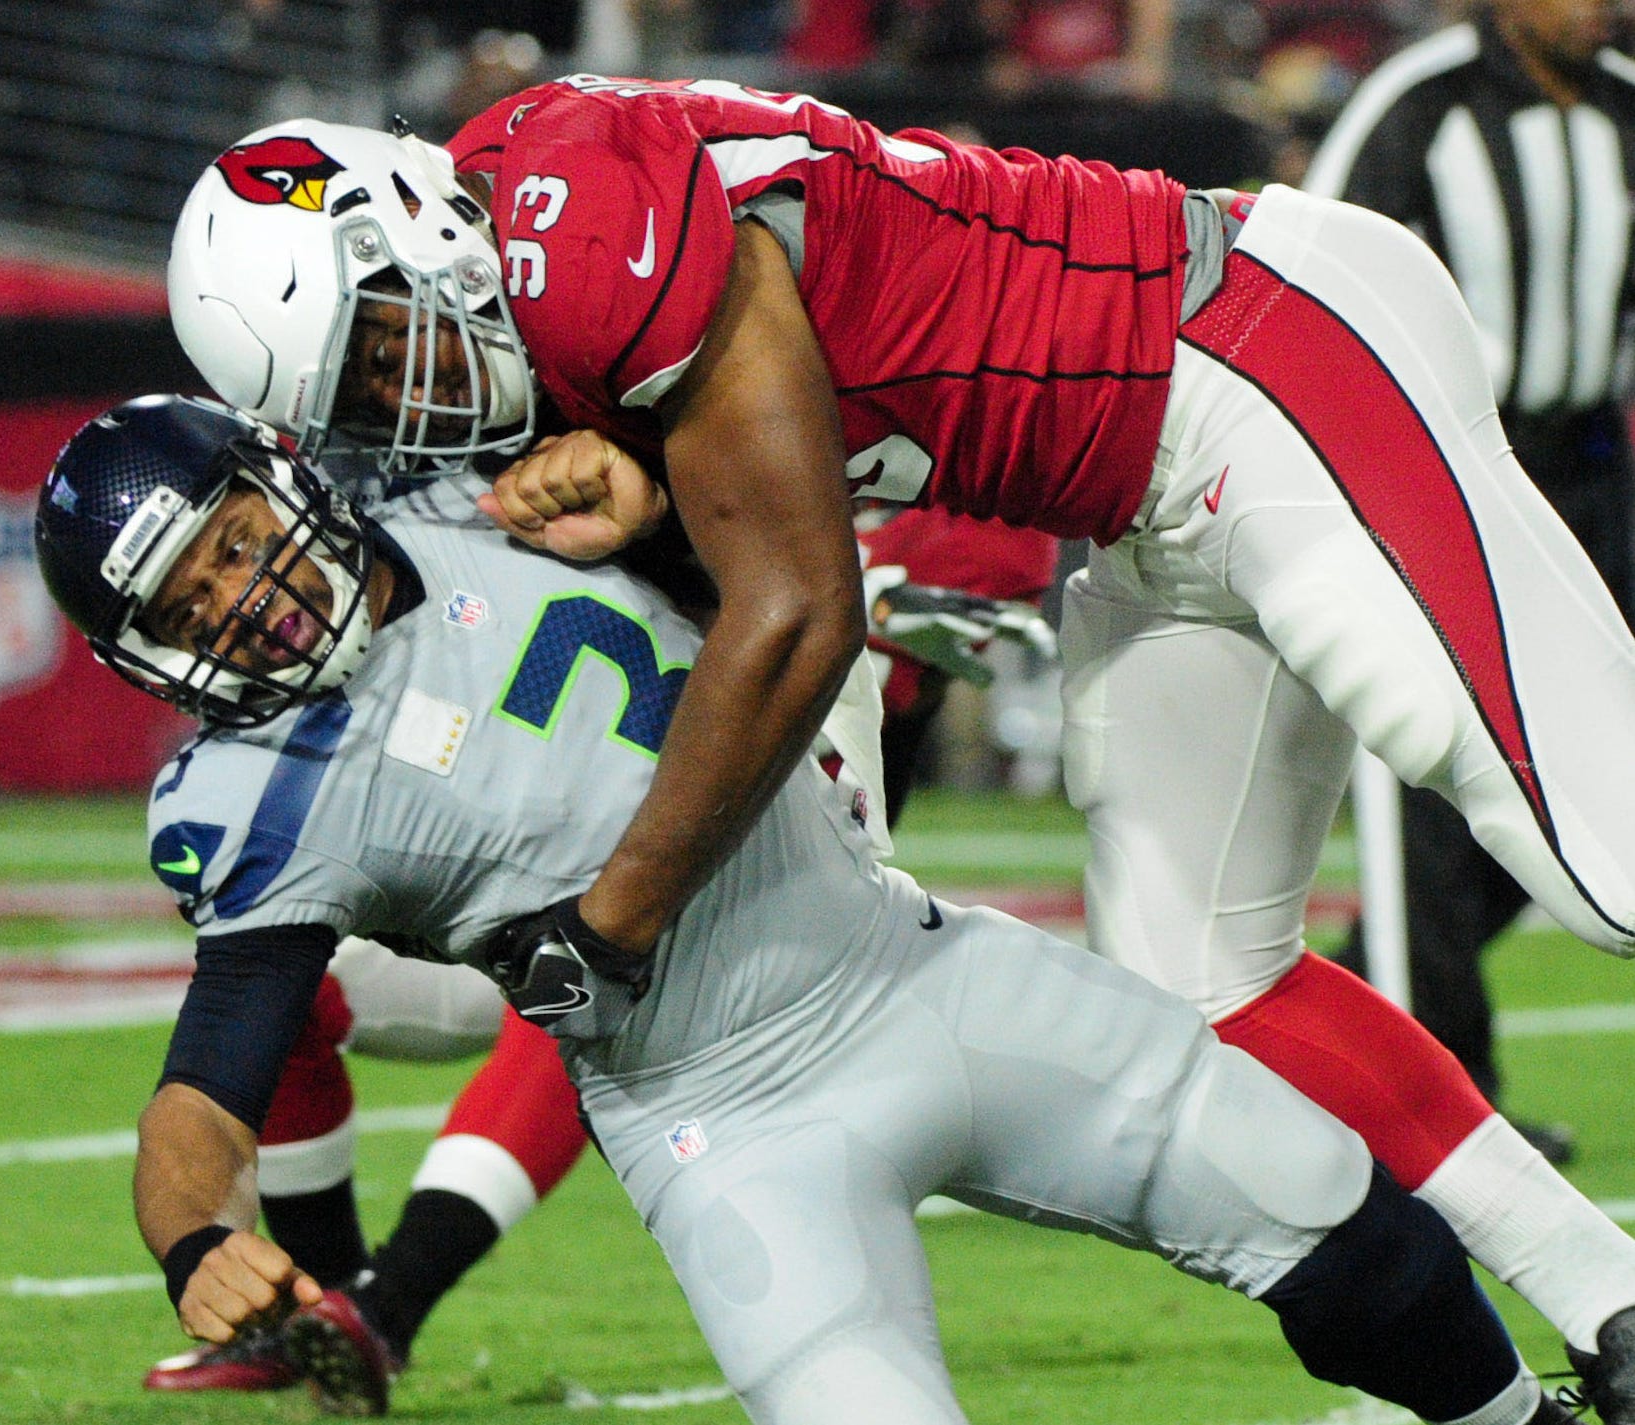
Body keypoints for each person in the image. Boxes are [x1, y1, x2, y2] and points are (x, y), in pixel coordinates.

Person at [163, 91, 1635, 1419]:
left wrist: (610, 923)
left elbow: (803, 612)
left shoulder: (579, 218)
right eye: (359, 396)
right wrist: (647, 489)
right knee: (1205, 981)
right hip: (1136, 500)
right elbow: (759, 479)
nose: (401, 392)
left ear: (409, 225)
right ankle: (1612, 1302)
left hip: (1247, 355)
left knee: (1599, 856)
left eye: (380, 341)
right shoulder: (536, 281)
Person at [36, 391, 1580, 1425]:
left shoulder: (481, 496)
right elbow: (206, 1081)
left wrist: (644, 497)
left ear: (281, 481)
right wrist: (192, 1240)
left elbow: (761, 557)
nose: (239, 598)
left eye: (227, 545)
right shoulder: (255, 800)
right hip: (724, 1127)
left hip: (907, 965)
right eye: (186, 605)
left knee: (1326, 1207)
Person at [141, 499, 1061, 1406]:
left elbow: (838, 794)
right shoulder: (479, 498)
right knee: (304, 995)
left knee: (590, 974)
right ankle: (324, 1308)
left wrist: (879, 650)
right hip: (485, 886)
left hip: (681, 905)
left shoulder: (885, 500)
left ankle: (388, 1304)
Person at [1300, 0, 1635, 1172]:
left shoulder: (1622, 107)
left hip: (1593, 480)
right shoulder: (1419, 104)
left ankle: (1354, 1005)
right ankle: (1447, 1109)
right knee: (1434, 792)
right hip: (1456, 481)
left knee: (1585, 785)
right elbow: (1309, 275)